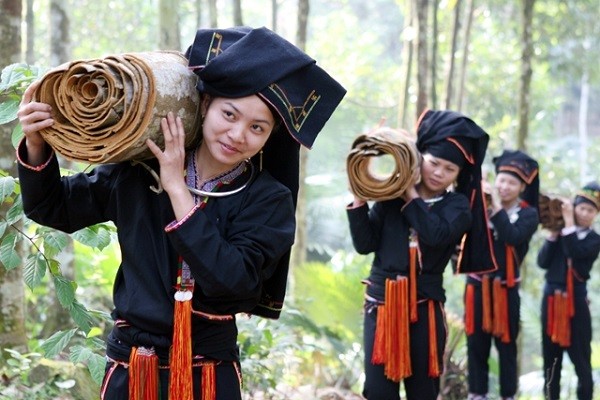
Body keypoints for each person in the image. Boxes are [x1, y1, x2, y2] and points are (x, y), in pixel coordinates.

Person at [16, 26, 346, 400]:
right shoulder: (139, 170)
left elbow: (234, 282)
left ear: (270, 137)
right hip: (133, 368)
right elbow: (52, 207)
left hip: (209, 373)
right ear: (204, 106)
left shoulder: (268, 199)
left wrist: (177, 190)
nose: (238, 134)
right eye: (229, 113)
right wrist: (37, 143)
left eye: (257, 127)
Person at [346, 109, 491, 400]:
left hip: (424, 308)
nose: (439, 173)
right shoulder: (389, 198)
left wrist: (410, 195)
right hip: (382, 304)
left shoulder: (458, 206)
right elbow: (365, 244)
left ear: (459, 174)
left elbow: (435, 235)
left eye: (450, 169)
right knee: (377, 391)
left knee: (423, 390)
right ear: (419, 157)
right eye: (434, 163)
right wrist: (360, 197)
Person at [464, 150, 540, 400]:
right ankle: (477, 394)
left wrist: (495, 206)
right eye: (502, 180)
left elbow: (512, 236)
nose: (505, 186)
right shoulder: (478, 206)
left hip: (506, 290)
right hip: (477, 287)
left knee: (507, 346)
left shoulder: (529, 214)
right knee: (476, 344)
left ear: (521, 187)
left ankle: (509, 396)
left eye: (512, 182)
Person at [537, 182, 600, 400]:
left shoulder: (594, 240)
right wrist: (554, 233)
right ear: (574, 207)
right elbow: (542, 262)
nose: (584, 213)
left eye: (590, 210)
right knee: (550, 358)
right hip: (551, 299)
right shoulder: (561, 232)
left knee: (581, 356)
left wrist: (569, 224)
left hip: (576, 303)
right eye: (581, 208)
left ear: (596, 214)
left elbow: (574, 251)